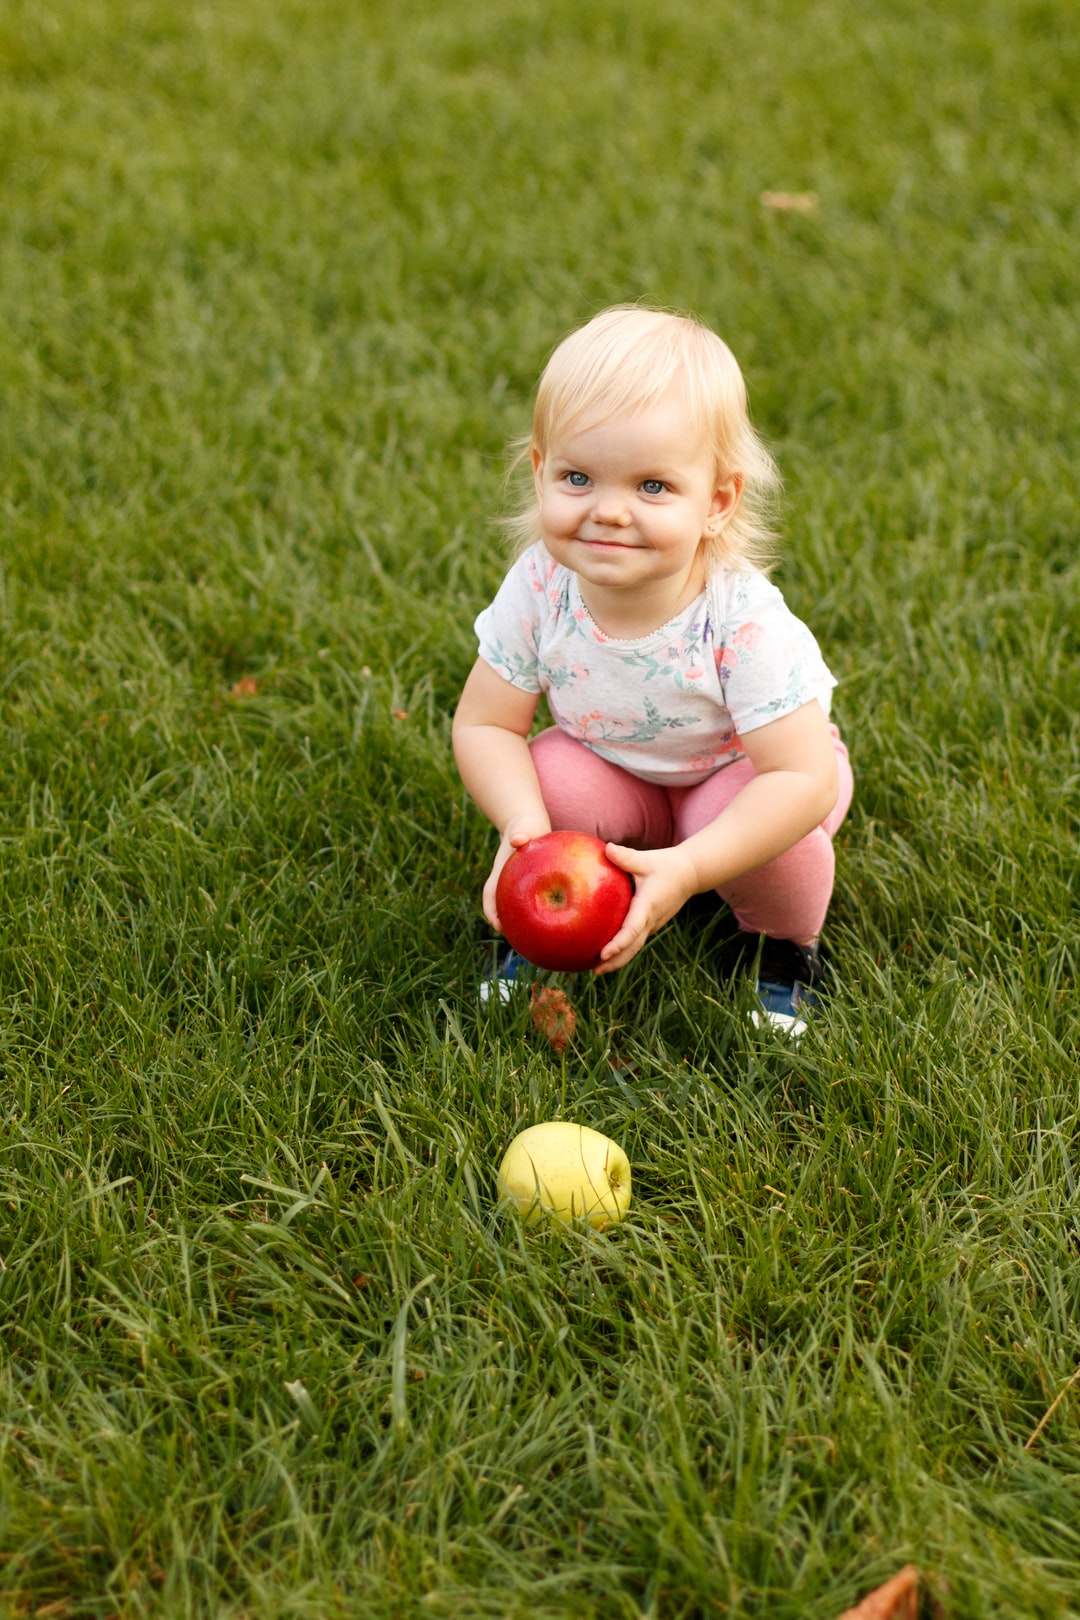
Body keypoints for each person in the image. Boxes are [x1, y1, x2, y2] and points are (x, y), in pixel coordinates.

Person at [452, 305, 853, 1036]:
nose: (609, 511)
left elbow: (803, 779)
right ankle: (536, 927)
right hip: (618, 767)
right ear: (540, 472)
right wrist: (525, 832)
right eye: (578, 477)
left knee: (772, 835)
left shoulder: (739, 619)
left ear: (717, 502)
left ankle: (783, 951)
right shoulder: (541, 586)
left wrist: (693, 868)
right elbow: (487, 724)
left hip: (745, 775)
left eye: (653, 487)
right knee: (549, 776)